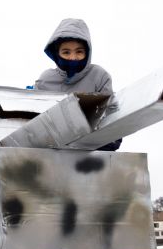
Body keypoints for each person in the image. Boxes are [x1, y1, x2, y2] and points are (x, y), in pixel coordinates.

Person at [34, 18, 122, 150]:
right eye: (66, 52)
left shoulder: (100, 76)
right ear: (57, 53)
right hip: (52, 151)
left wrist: (107, 140)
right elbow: (34, 120)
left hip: (93, 153)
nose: (73, 58)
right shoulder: (45, 80)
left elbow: (112, 115)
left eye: (79, 52)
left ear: (87, 52)